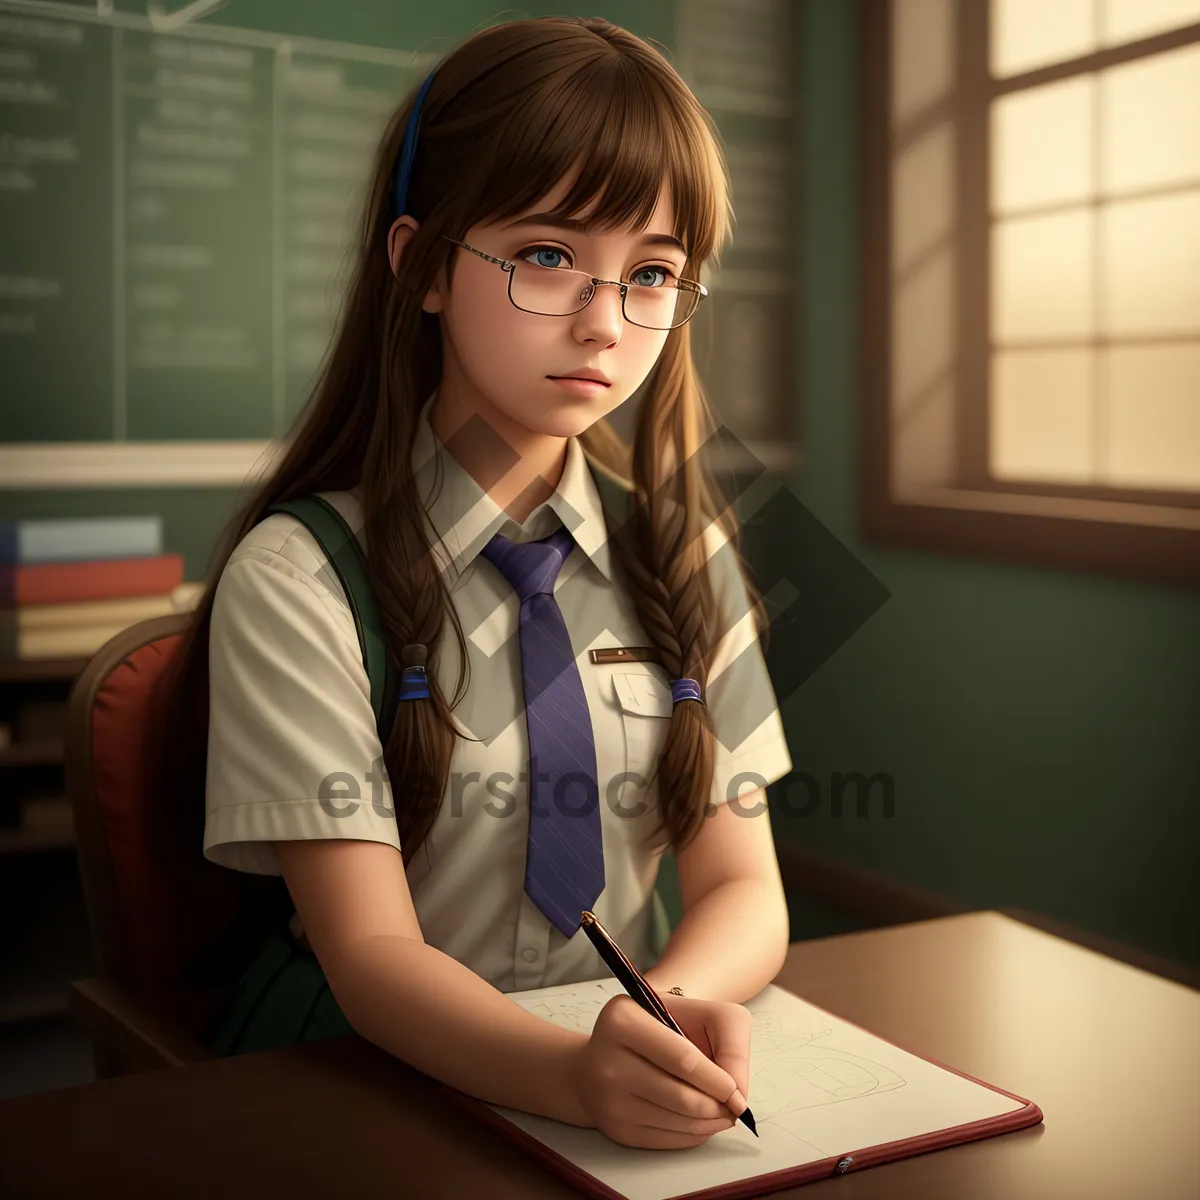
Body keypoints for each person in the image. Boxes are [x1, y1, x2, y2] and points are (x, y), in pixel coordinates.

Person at [162, 16, 794, 1151]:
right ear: (421, 265)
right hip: (361, 1073)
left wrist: (664, 1014)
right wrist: (575, 1074)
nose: (605, 322)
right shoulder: (303, 574)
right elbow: (371, 959)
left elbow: (747, 886)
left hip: (609, 1061)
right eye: (548, 256)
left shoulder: (683, 558)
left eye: (651, 273)